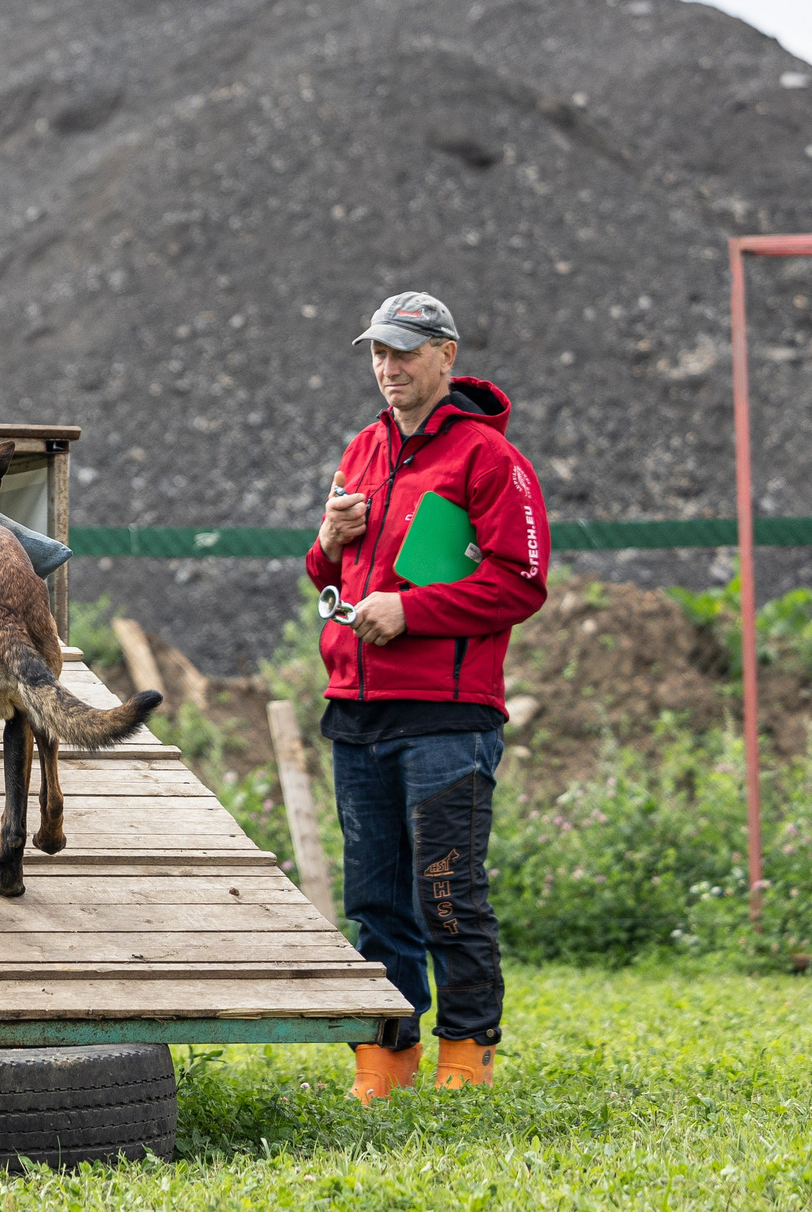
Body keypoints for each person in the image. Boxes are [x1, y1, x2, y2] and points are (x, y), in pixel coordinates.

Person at [305, 291, 549, 1101]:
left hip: (448, 714)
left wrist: (411, 610)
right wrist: (326, 545)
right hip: (357, 705)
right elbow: (329, 576)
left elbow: (520, 582)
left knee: (446, 891)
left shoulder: (490, 459)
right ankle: (387, 1052)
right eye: (378, 351)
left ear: (447, 355)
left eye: (405, 351)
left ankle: (467, 1052)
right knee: (374, 901)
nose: (389, 366)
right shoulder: (361, 448)